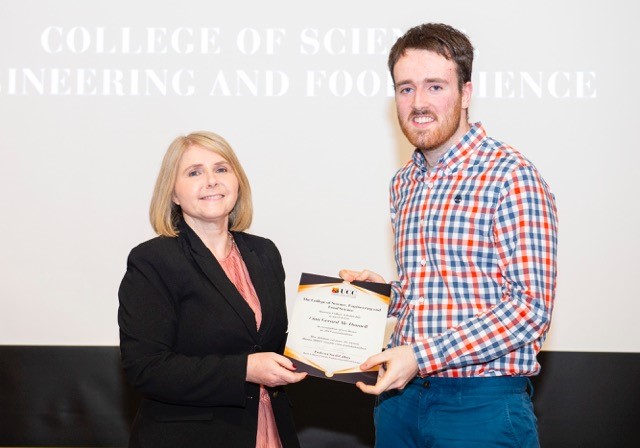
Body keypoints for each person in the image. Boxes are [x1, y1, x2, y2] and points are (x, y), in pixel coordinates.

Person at [340, 23, 558, 447]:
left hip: (480, 406)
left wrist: (421, 356)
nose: (418, 102)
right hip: (400, 401)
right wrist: (383, 296)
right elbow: (431, 293)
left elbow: (530, 310)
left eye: (435, 86)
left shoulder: (511, 176)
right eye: (405, 89)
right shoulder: (404, 182)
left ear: (466, 93)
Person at [118, 131, 306, 448]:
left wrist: (345, 314)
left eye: (221, 169)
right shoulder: (153, 260)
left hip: (269, 428)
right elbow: (146, 368)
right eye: (194, 173)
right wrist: (245, 369)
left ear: (237, 181)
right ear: (173, 194)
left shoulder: (264, 252)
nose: (211, 181)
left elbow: (269, 343)